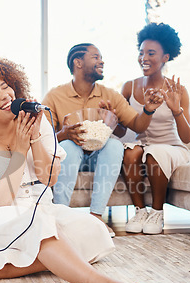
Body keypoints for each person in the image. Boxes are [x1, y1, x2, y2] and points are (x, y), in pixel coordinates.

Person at [0, 54, 168, 283]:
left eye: (6, 86)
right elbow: (0, 198)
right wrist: (18, 147)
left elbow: (48, 179)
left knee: (95, 232)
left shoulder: (37, 121)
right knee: (42, 228)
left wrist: (36, 136)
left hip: (40, 206)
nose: (5, 95)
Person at [41, 43, 163, 236]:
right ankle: (60, 218)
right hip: (69, 157)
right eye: (96, 57)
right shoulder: (55, 96)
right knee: (68, 147)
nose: (102, 61)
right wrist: (64, 133)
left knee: (114, 145)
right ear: (78, 62)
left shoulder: (109, 95)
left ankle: (96, 218)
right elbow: (42, 139)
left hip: (99, 158)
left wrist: (148, 109)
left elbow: (138, 125)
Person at [121, 23, 190, 234]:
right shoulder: (129, 87)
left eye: (151, 53)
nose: (144, 57)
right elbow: (120, 125)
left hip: (171, 147)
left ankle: (157, 212)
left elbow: (187, 138)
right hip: (141, 146)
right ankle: (140, 210)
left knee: (155, 152)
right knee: (131, 150)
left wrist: (176, 110)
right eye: (141, 52)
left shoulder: (178, 90)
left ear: (165, 57)